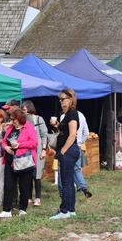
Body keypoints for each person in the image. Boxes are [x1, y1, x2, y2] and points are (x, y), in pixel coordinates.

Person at [0, 108, 38, 218]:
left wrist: (19, 145)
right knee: (8, 185)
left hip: (24, 161)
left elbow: (34, 143)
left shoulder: (29, 127)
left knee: (24, 186)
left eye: (14, 119)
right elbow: (4, 141)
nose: (13, 121)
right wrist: (6, 147)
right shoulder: (10, 128)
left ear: (20, 118)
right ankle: (6, 210)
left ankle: (23, 209)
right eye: (12, 119)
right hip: (10, 161)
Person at [50, 88, 80, 220]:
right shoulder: (67, 114)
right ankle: (71, 209)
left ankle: (64, 211)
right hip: (68, 150)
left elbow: (72, 134)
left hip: (68, 150)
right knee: (69, 182)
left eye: (63, 99)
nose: (61, 102)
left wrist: (62, 151)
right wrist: (57, 125)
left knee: (66, 182)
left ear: (71, 99)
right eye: (60, 100)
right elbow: (66, 132)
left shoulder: (72, 113)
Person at [59, 109, 92, 198]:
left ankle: (63, 193)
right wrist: (80, 143)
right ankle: (83, 187)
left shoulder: (64, 116)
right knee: (76, 169)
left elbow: (63, 133)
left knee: (63, 171)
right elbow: (87, 133)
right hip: (78, 147)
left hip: (67, 147)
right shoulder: (81, 115)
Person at [21, 100, 48, 206]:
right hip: (28, 150)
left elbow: (44, 135)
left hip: (38, 150)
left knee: (37, 175)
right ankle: (28, 198)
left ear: (29, 108)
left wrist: (44, 150)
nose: (23, 111)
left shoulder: (38, 119)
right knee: (28, 174)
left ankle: (38, 198)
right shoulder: (23, 120)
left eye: (24, 109)